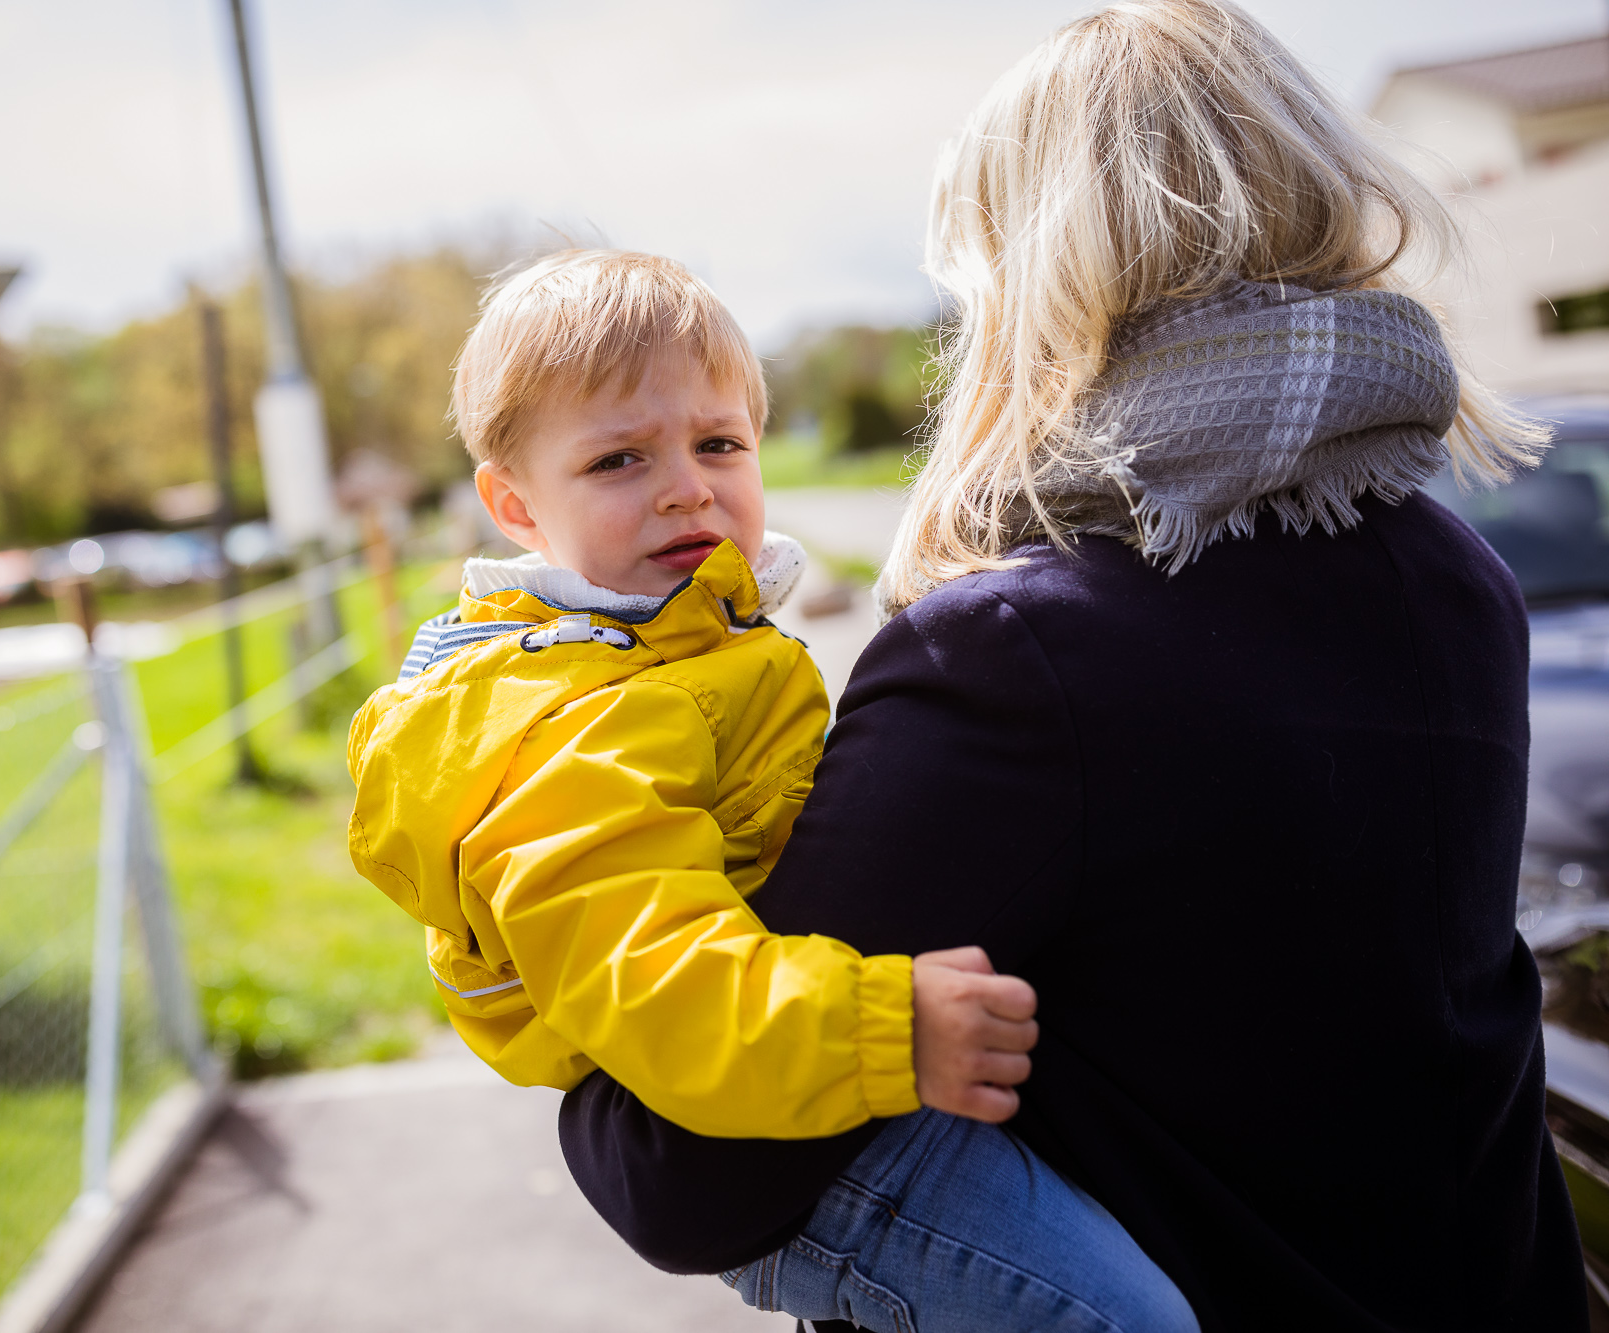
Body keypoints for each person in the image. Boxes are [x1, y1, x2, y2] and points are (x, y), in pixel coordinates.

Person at [559, 3, 1591, 1329]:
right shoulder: (1457, 579)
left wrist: (567, 1008)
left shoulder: (1019, 658)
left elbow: (685, 1172)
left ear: (1024, 274)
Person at [346, 248, 1196, 1330]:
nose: (686, 484)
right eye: (617, 459)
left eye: (717, 443)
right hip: (808, 1145)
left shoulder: (669, 643)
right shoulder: (567, 729)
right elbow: (658, 981)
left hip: (797, 1076)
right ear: (513, 505)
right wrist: (884, 1034)